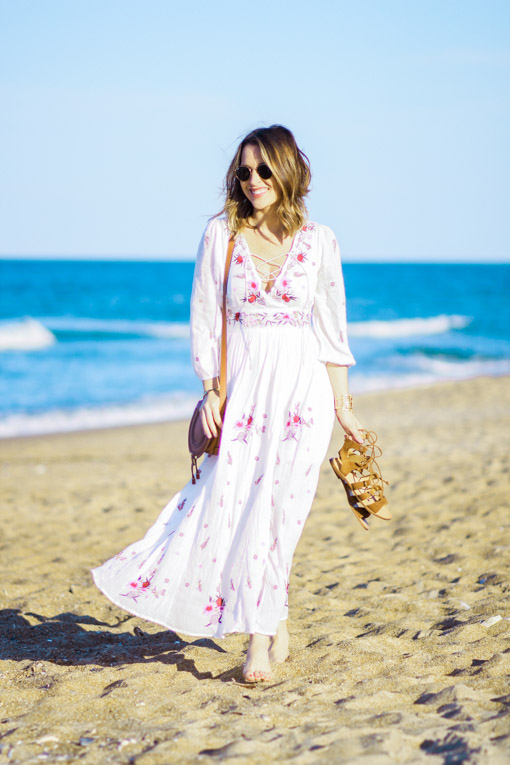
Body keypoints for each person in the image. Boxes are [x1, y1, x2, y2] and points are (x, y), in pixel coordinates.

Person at [91, 125, 363, 683]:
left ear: (288, 170)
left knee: (280, 515)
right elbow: (203, 317)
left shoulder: (320, 241)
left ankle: (259, 643)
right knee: (234, 508)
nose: (253, 180)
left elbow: (334, 333)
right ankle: (273, 613)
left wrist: (344, 407)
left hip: (301, 396)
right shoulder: (223, 235)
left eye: (264, 170)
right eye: (244, 171)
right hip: (241, 393)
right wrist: (211, 389)